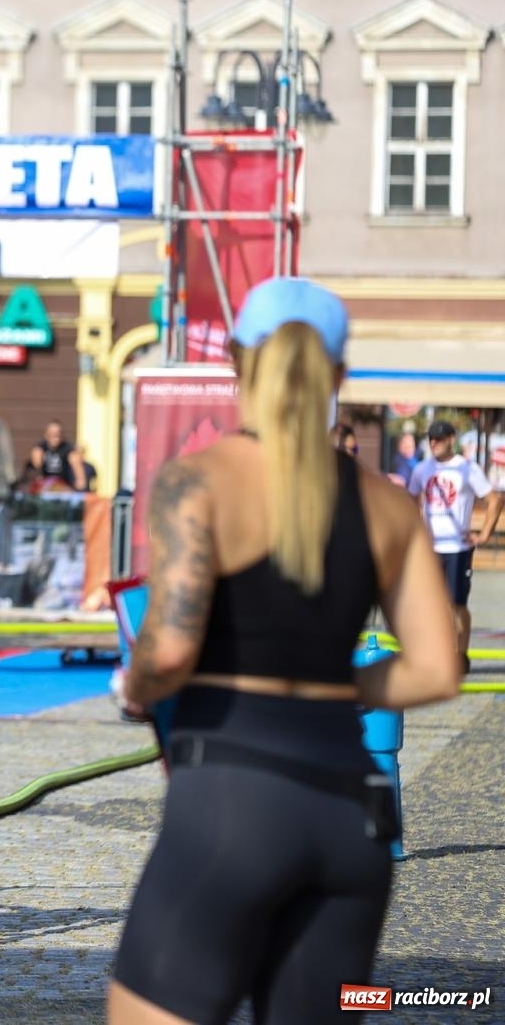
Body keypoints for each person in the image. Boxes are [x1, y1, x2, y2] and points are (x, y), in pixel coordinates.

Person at [109, 278, 461, 1023]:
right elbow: (436, 666)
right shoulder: (388, 504)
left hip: (233, 800)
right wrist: (338, 687)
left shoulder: (198, 483)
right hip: (353, 818)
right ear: (337, 374)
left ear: (238, 363)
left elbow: (170, 649)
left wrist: (133, 685)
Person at [406, 419, 501, 671]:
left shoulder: (467, 468)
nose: (434, 443)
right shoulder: (422, 469)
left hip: (458, 548)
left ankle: (460, 654)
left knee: (456, 604)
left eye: (439, 438)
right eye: (431, 438)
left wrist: (483, 535)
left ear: (451, 439)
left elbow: (494, 500)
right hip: (431, 548)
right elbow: (410, 499)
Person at [28, 420, 85, 491]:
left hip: (63, 484)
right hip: (44, 483)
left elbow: (77, 467)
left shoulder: (68, 449)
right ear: (46, 435)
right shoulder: (40, 448)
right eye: (52, 434)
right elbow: (35, 467)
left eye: (58, 434)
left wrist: (80, 482)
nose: (55, 437)